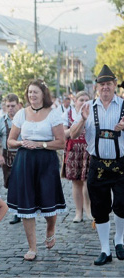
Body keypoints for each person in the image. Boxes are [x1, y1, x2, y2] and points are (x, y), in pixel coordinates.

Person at [7, 79, 67, 261]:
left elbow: (61, 142)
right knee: (26, 204)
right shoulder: (21, 114)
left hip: (46, 160)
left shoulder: (53, 113)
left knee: (48, 199)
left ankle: (50, 228)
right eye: (30, 92)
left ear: (43, 94)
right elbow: (10, 141)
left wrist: (40, 144)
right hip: (25, 161)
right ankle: (32, 247)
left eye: (35, 92)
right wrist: (20, 143)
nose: (32, 95)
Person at [70, 65, 124, 265]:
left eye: (109, 84)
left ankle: (119, 240)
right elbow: (72, 135)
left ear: (115, 85)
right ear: (97, 87)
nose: (105, 88)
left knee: (122, 204)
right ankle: (105, 250)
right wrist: (82, 121)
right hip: (97, 164)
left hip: (121, 164)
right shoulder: (87, 108)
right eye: (102, 84)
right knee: (99, 209)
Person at [0, 93, 22, 224]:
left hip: (22, 155)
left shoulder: (24, 119)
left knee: (22, 184)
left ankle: (20, 211)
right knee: (10, 184)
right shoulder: (1, 121)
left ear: (19, 105)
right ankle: (16, 209)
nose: (10, 108)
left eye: (13, 106)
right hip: (7, 156)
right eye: (8, 106)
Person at [62, 91, 92, 223]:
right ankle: (78, 212)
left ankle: (88, 209)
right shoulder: (68, 114)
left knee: (88, 181)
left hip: (89, 150)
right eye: (81, 99)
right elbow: (63, 133)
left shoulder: (93, 113)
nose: (84, 102)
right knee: (76, 182)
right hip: (73, 150)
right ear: (75, 101)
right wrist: (76, 125)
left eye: (87, 99)